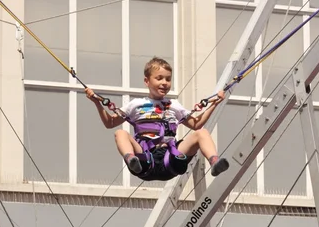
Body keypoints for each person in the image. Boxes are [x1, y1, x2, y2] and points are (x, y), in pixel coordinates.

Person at [86, 57, 229, 182]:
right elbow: (110, 123)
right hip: (145, 159)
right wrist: (97, 103)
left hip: (170, 158)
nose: (164, 82)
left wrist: (214, 103)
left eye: (168, 79)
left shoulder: (174, 105)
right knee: (120, 133)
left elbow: (196, 124)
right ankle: (131, 159)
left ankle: (214, 162)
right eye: (159, 78)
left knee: (202, 133)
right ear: (147, 81)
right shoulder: (136, 104)